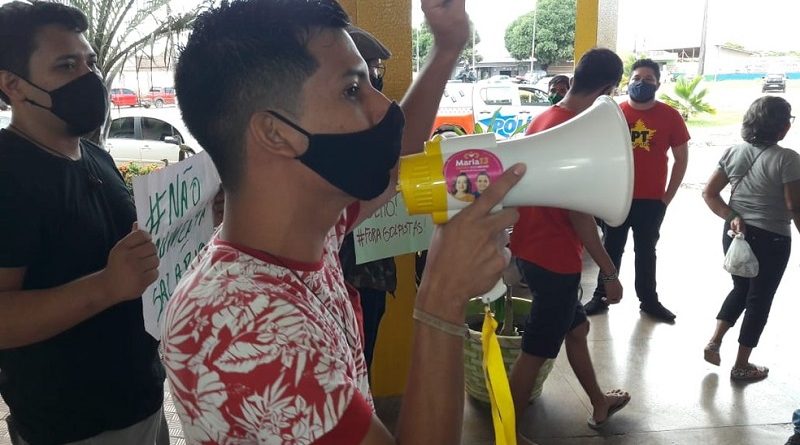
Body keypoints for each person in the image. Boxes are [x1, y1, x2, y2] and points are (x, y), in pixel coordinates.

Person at [161, 0, 526, 443]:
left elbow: (394, 165)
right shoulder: (241, 328)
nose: (381, 105)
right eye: (352, 90)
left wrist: (446, 49)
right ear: (275, 133)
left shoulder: (306, 235)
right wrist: (442, 298)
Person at [0, 2, 166, 444]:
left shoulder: (95, 155)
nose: (89, 78)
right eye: (66, 65)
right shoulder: (7, 173)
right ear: (13, 84)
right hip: (71, 426)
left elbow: (123, 249)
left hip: (142, 402)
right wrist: (108, 285)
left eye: (89, 62)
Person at [508, 48, 631, 433]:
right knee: (534, 354)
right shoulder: (570, 131)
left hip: (531, 248)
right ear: (608, 88)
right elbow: (579, 214)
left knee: (576, 329)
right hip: (555, 259)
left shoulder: (547, 117)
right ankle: (505, 434)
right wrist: (609, 274)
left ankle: (598, 402)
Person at [583, 58, 690, 322]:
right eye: (637, 79)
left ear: (658, 84)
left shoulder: (670, 116)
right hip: (617, 199)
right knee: (611, 249)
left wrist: (667, 198)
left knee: (646, 251)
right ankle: (601, 296)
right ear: (627, 82)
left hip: (652, 201)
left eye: (648, 80)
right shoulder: (614, 114)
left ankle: (649, 301)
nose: (642, 83)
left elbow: (681, 159)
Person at [701, 96, 799, 381]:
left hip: (735, 234)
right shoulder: (787, 158)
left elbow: (709, 193)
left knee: (741, 289)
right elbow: (794, 206)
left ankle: (715, 341)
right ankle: (742, 364)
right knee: (760, 299)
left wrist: (731, 215)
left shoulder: (733, 152)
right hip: (772, 238)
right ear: (781, 127)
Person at [338, 25, 396, 376]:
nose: (377, 79)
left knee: (364, 364)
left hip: (374, 272)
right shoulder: (332, 133)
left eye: (376, 69)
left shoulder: (379, 124)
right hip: (345, 274)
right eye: (369, 69)